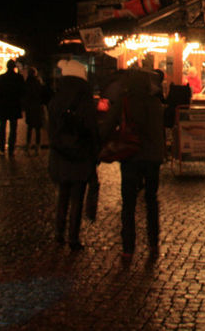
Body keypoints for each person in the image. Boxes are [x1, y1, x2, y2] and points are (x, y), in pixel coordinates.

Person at [101, 68, 166, 261]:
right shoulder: (155, 103)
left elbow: (108, 126)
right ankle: (153, 243)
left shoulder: (125, 101)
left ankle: (128, 246)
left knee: (128, 202)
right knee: (151, 199)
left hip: (131, 155)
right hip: (153, 157)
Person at [47, 59, 98, 250]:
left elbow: (51, 128)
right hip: (80, 155)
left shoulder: (56, 100)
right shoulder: (85, 101)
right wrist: (95, 153)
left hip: (60, 154)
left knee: (63, 195)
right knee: (77, 197)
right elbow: (92, 130)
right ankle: (73, 237)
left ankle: (58, 232)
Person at [0, 59, 25, 156]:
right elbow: (22, 92)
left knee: (2, 127)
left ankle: (2, 147)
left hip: (3, 105)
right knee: (13, 129)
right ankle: (11, 148)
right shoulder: (19, 78)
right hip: (14, 105)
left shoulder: (2, 77)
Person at [23, 67, 48, 154]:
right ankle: (37, 146)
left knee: (29, 127)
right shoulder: (38, 83)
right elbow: (43, 95)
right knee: (37, 128)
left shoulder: (26, 83)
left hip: (30, 107)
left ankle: (28, 144)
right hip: (37, 107)